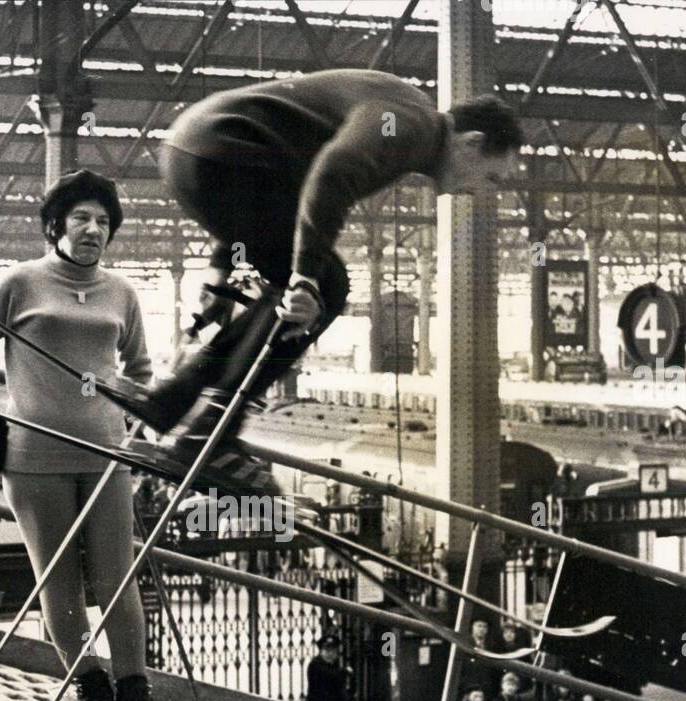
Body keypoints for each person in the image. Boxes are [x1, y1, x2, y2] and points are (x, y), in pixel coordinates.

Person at [100, 71, 523, 485]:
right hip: (224, 153)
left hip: (197, 151)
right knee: (330, 285)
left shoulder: (407, 115)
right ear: (472, 143)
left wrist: (222, 277)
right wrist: (304, 279)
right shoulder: (413, 126)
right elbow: (331, 175)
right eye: (490, 177)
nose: (480, 191)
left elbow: (285, 186)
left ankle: (172, 399)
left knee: (299, 287)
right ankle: (210, 430)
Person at [0, 169, 165, 701]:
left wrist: (131, 422)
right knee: (59, 583)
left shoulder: (122, 292)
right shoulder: (21, 282)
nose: (94, 229)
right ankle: (92, 694)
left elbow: (143, 371)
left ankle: (135, 695)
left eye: (103, 221)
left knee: (118, 581)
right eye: (81, 219)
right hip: (32, 457)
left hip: (105, 457)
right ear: (55, 227)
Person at [304, 633, 352, 701]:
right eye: (327, 650)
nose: (330, 654)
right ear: (321, 651)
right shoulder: (315, 665)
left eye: (333, 651)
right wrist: (345, 671)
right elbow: (329, 675)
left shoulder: (334, 666)